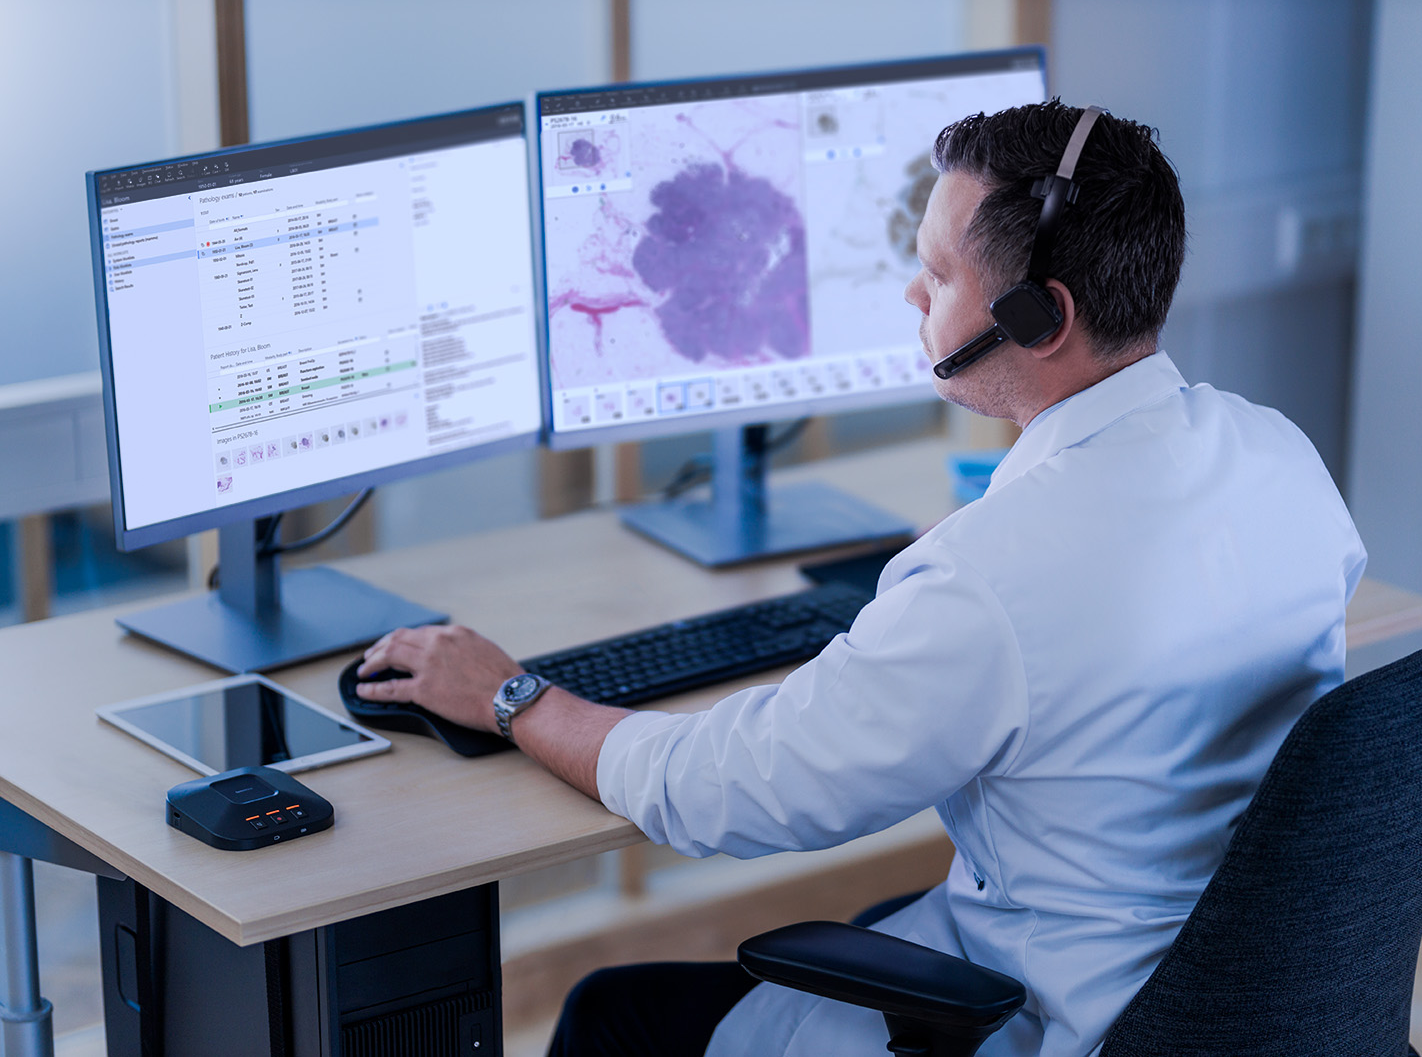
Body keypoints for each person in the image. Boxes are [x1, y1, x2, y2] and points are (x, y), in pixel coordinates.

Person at [356, 101, 1366, 1057]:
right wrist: (977, 564)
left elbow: (725, 792)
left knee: (609, 1014)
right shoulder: (1275, 454)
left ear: (1035, 314)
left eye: (935, 272)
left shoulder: (992, 575)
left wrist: (512, 693)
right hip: (1234, 991)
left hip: (1066, 1013)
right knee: (881, 922)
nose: (913, 295)